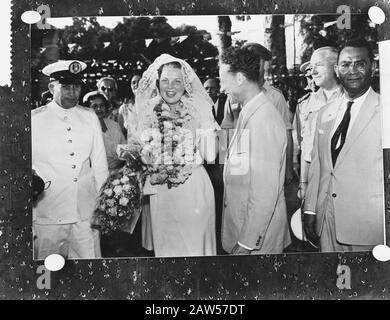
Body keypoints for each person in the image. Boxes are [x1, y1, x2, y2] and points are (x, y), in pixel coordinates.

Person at [129, 54, 219, 257]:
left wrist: (206, 121)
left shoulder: (199, 109)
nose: (171, 87)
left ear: (186, 83)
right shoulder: (146, 110)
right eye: (165, 81)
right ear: (157, 81)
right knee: (167, 254)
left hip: (193, 188)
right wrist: (143, 155)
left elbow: (211, 155)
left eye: (177, 81)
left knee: (196, 252)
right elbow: (139, 149)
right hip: (162, 192)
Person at [303, 39, 384, 252]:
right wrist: (311, 210)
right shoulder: (324, 113)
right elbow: (318, 165)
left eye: (360, 63)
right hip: (326, 218)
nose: (353, 70)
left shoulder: (385, 110)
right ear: (337, 70)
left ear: (373, 67)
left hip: (367, 224)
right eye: (346, 64)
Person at [32, 60, 109, 260]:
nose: (72, 93)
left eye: (76, 87)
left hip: (85, 211)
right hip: (49, 210)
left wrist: (104, 205)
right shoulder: (34, 119)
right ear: (51, 88)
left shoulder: (89, 116)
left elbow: (100, 165)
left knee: (89, 268)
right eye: (66, 87)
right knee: (47, 272)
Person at [219, 46, 291, 254]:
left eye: (223, 79)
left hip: (255, 241)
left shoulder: (263, 120)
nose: (222, 87)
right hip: (242, 225)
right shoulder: (247, 112)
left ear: (240, 78)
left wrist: (246, 244)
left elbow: (265, 193)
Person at [222, 42, 295, 186]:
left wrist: (288, 169)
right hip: (238, 163)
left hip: (266, 164)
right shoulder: (232, 96)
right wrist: (222, 164)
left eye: (263, 64)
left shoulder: (275, 97)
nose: (260, 69)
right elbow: (225, 129)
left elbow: (287, 134)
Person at [295, 47, 344, 200]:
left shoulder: (351, 99)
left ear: (336, 67)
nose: (313, 71)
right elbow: (305, 149)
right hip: (315, 181)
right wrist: (303, 183)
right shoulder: (305, 105)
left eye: (319, 65)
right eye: (311, 67)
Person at [203, 78, 228, 254]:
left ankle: (220, 229)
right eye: (206, 88)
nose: (209, 91)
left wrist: (224, 161)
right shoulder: (201, 107)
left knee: (220, 194)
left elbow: (228, 132)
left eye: (212, 88)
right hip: (205, 161)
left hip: (223, 159)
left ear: (218, 89)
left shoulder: (226, 104)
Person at [83, 91, 126, 173]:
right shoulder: (85, 130)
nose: (99, 109)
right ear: (88, 109)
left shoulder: (114, 125)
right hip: (99, 174)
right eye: (94, 106)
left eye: (102, 105)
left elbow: (124, 146)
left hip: (121, 169)